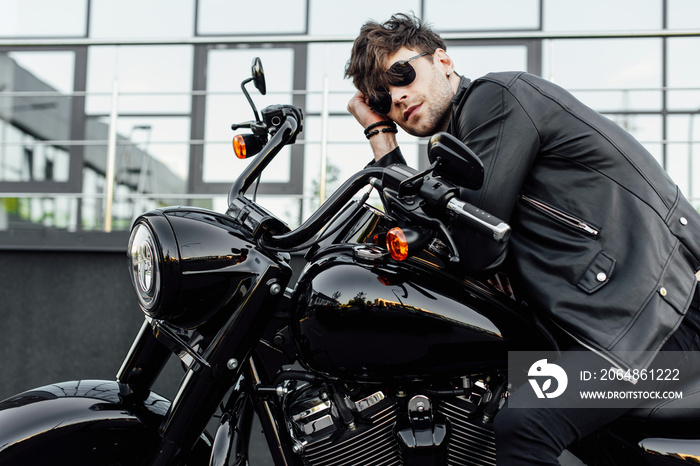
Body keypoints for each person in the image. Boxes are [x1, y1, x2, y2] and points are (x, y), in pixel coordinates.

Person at [345, 12, 700, 465]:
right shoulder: (462, 149)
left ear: (443, 60)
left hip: (651, 324)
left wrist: (379, 135)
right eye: (381, 97)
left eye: (401, 74)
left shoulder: (496, 99)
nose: (396, 96)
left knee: (523, 425)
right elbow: (437, 235)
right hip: (617, 323)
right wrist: (380, 133)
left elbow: (472, 246)